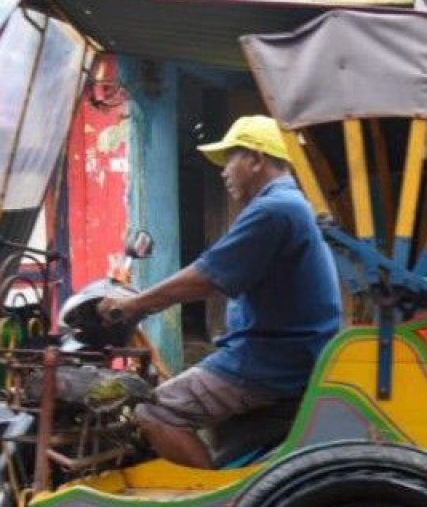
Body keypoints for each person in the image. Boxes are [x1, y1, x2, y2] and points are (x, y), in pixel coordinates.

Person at [98, 115, 342, 468]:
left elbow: (208, 276)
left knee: (154, 410)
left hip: (266, 361)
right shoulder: (289, 203)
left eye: (230, 159)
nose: (224, 171)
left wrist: (136, 303)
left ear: (256, 159)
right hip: (281, 351)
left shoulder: (273, 210)